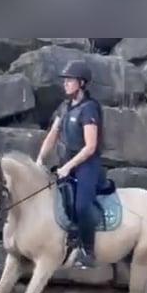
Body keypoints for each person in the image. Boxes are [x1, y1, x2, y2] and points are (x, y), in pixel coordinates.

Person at [35, 59, 103, 269]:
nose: (65, 84)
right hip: (67, 164)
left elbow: (90, 147)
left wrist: (68, 167)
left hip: (86, 166)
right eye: (65, 80)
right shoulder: (64, 108)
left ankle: (87, 252)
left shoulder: (89, 109)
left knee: (81, 206)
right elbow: (52, 135)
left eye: (70, 80)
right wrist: (39, 160)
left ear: (81, 83)